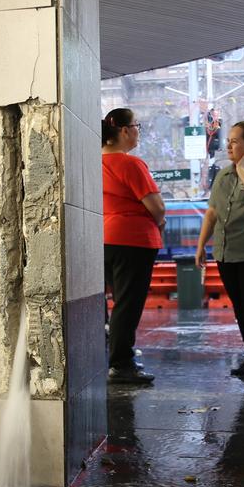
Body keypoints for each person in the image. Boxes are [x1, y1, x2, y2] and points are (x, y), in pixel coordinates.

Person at [102, 108, 166, 385]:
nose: (138, 130)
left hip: (104, 238)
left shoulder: (93, 162)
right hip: (133, 239)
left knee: (116, 302)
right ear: (124, 131)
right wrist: (159, 222)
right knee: (128, 304)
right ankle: (122, 364)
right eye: (137, 125)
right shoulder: (130, 164)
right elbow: (157, 208)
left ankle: (115, 357)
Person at [195, 121, 244, 378]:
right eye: (229, 141)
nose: (229, 146)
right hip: (225, 253)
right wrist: (202, 246)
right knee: (239, 308)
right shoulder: (222, 175)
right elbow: (212, 213)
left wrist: (243, 169)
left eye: (235, 141)